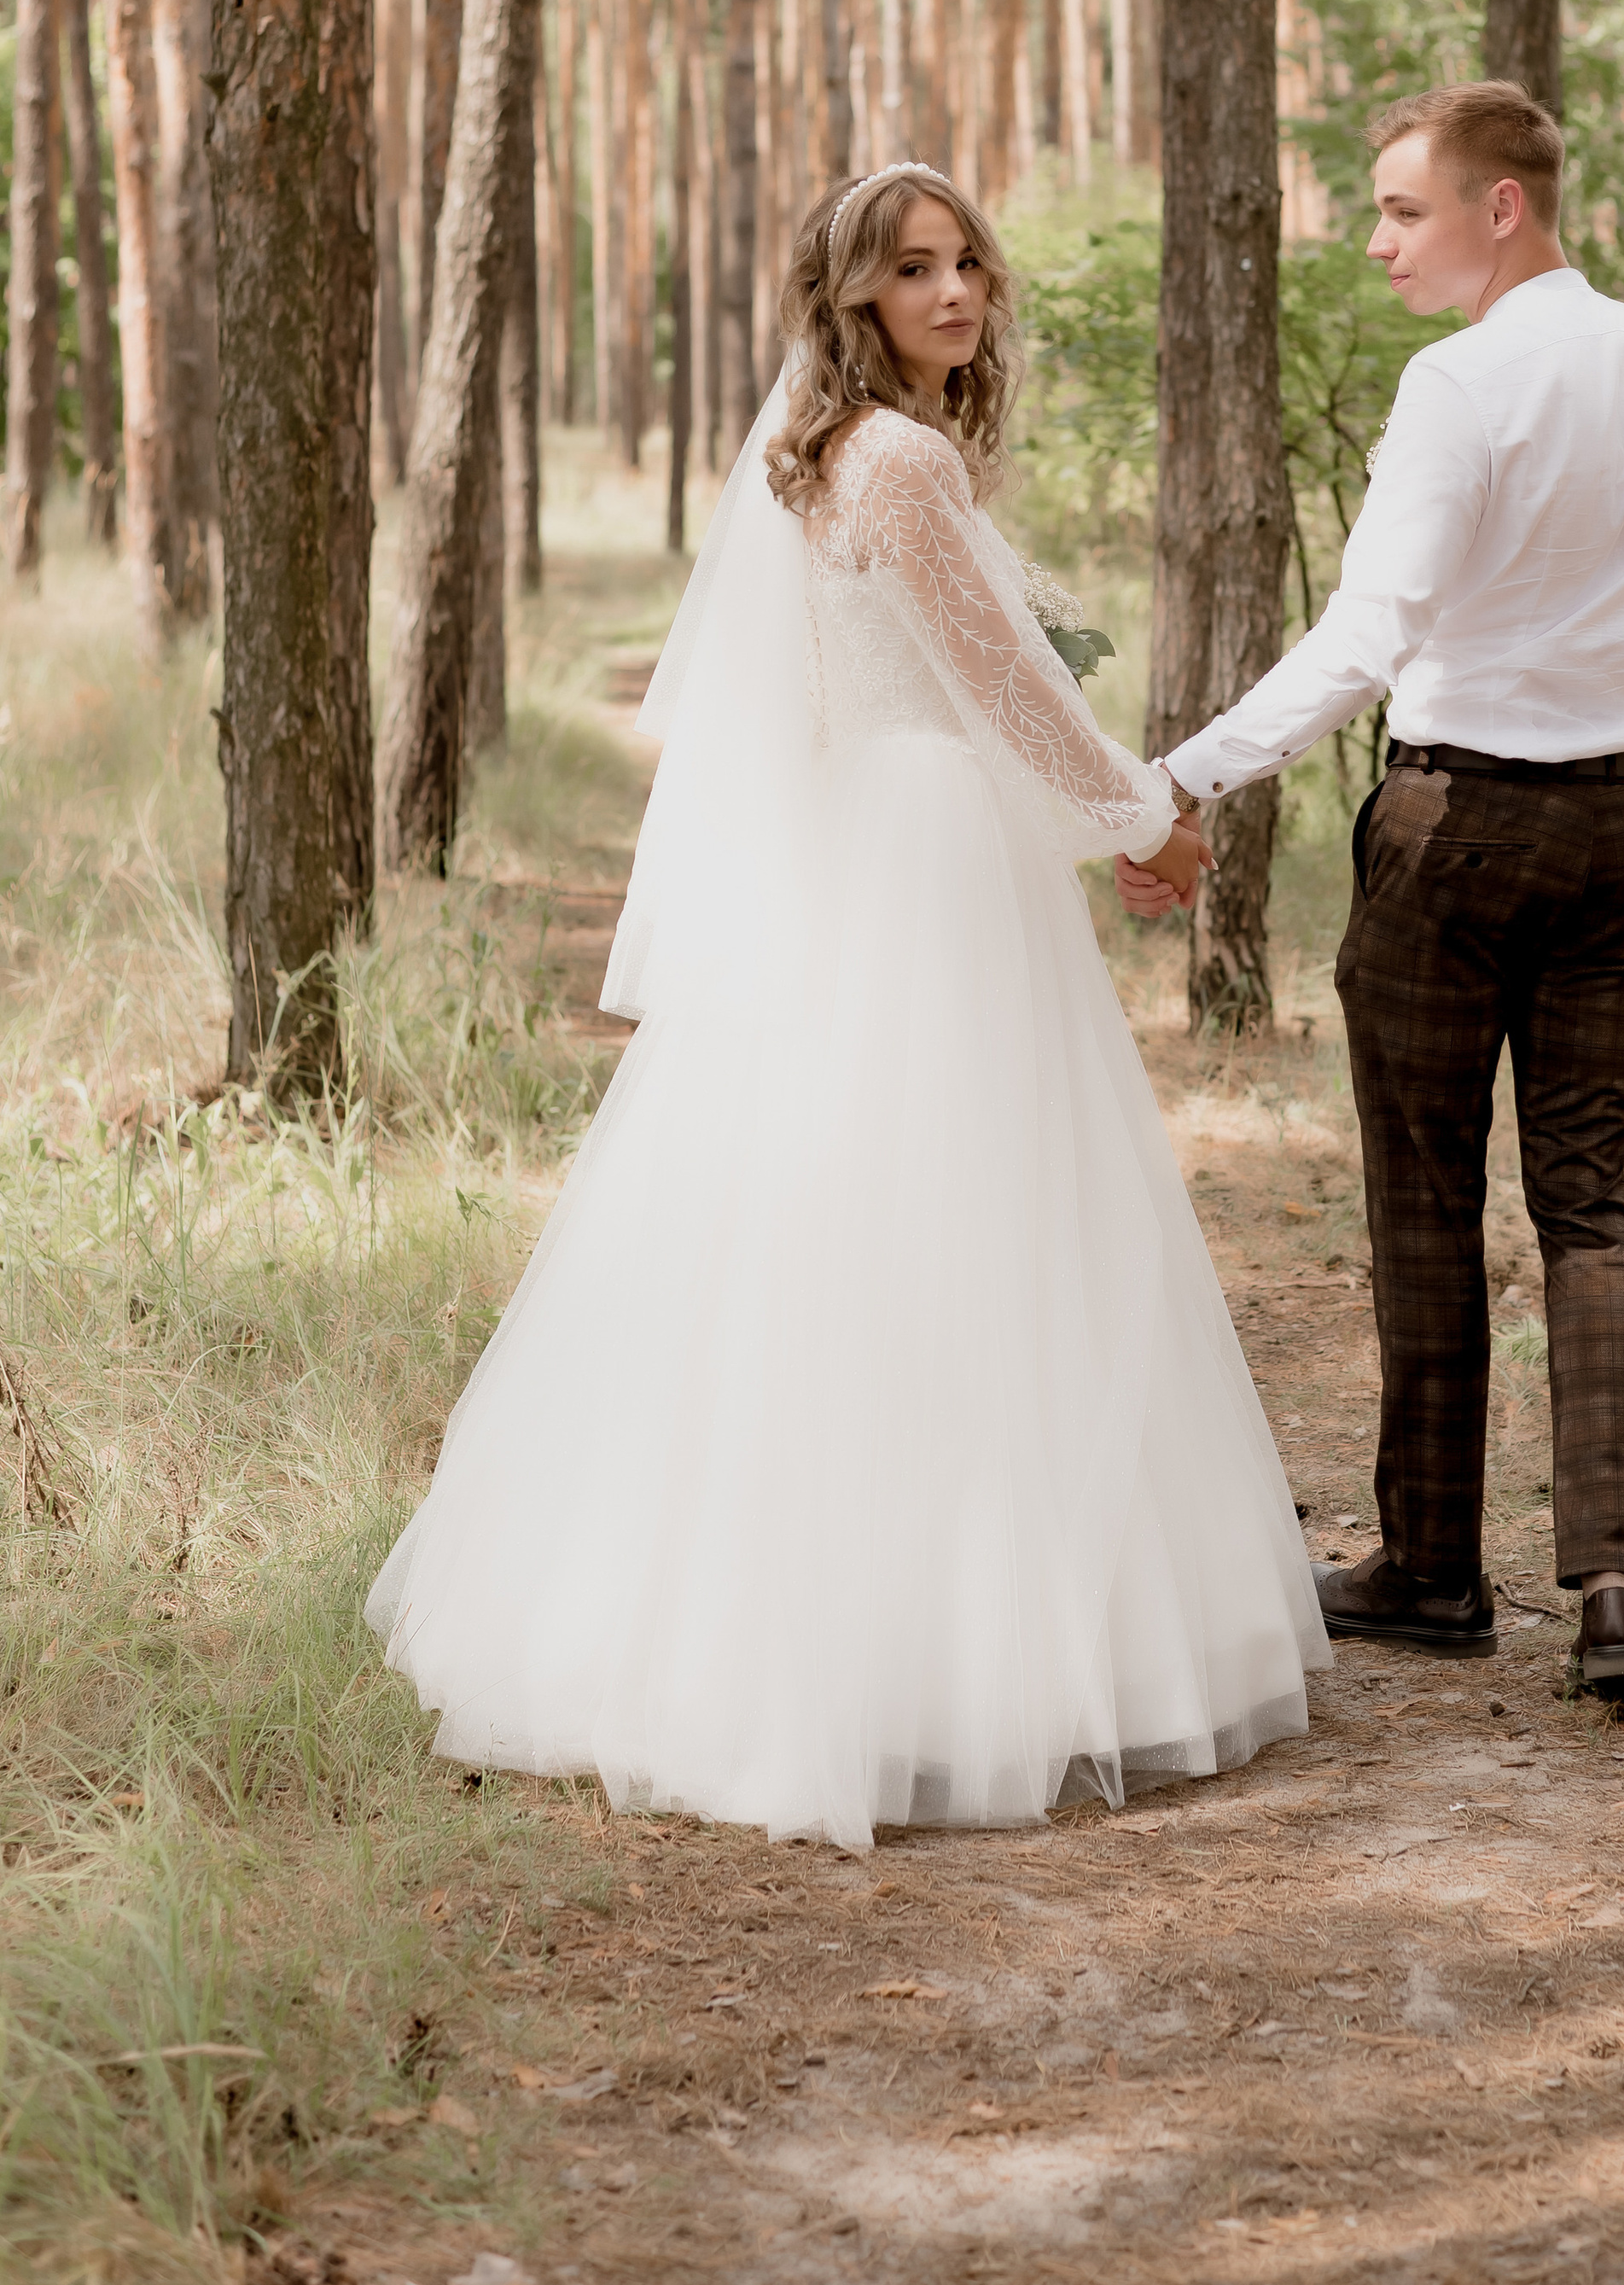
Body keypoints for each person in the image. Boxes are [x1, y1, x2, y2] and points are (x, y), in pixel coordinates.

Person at [368, 162, 1328, 1847]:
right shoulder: (891, 463)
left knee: (880, 1227)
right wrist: (1140, 820)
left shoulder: (822, 456)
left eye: (966, 263)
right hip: (921, 867)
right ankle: (924, 1663)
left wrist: (1095, 811)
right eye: (913, 270)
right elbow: (1005, 690)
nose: (955, 294)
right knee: (951, 1233)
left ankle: (894, 1635)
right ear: (855, 300)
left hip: (886, 848)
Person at [1119, 86, 1624, 1704]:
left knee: (1426, 1190)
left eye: (1404, 209)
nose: (1379, 237)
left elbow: (1365, 638)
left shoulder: (1461, 381)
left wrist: (1188, 772)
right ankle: (1619, 1588)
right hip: (1622, 826)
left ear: (1504, 208)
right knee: (1592, 1195)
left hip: (1456, 825)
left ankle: (1430, 1565)